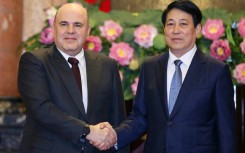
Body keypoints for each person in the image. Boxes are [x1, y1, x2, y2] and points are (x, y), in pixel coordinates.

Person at [99, 0, 237, 153]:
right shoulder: (150, 66)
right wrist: (113, 136)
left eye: (183, 24)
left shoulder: (216, 71)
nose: (175, 30)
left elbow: (226, 131)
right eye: (170, 24)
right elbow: (140, 118)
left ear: (197, 29)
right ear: (164, 29)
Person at [18, 3, 129, 153]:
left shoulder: (107, 65)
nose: (71, 31)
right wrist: (88, 131)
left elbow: (118, 119)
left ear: (88, 31)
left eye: (78, 25)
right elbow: (42, 109)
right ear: (54, 28)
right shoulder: (35, 61)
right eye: (64, 24)